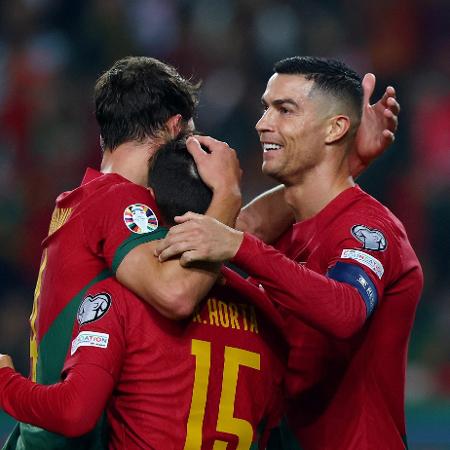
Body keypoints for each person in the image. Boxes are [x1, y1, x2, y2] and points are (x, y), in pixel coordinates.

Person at [155, 57, 422, 450]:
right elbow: (239, 231)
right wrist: (353, 159)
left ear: (335, 128)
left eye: (285, 109)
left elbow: (345, 311)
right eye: (266, 107)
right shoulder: (290, 228)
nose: (263, 123)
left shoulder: (369, 229)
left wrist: (237, 246)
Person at [2, 56, 242, 450]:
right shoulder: (120, 202)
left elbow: (235, 233)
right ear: (175, 127)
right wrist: (228, 194)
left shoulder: (89, 200)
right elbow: (176, 294)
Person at [0, 138, 286, 449]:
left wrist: (4, 381)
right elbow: (272, 425)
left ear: (149, 202)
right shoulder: (262, 307)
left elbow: (74, 412)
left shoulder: (119, 300)